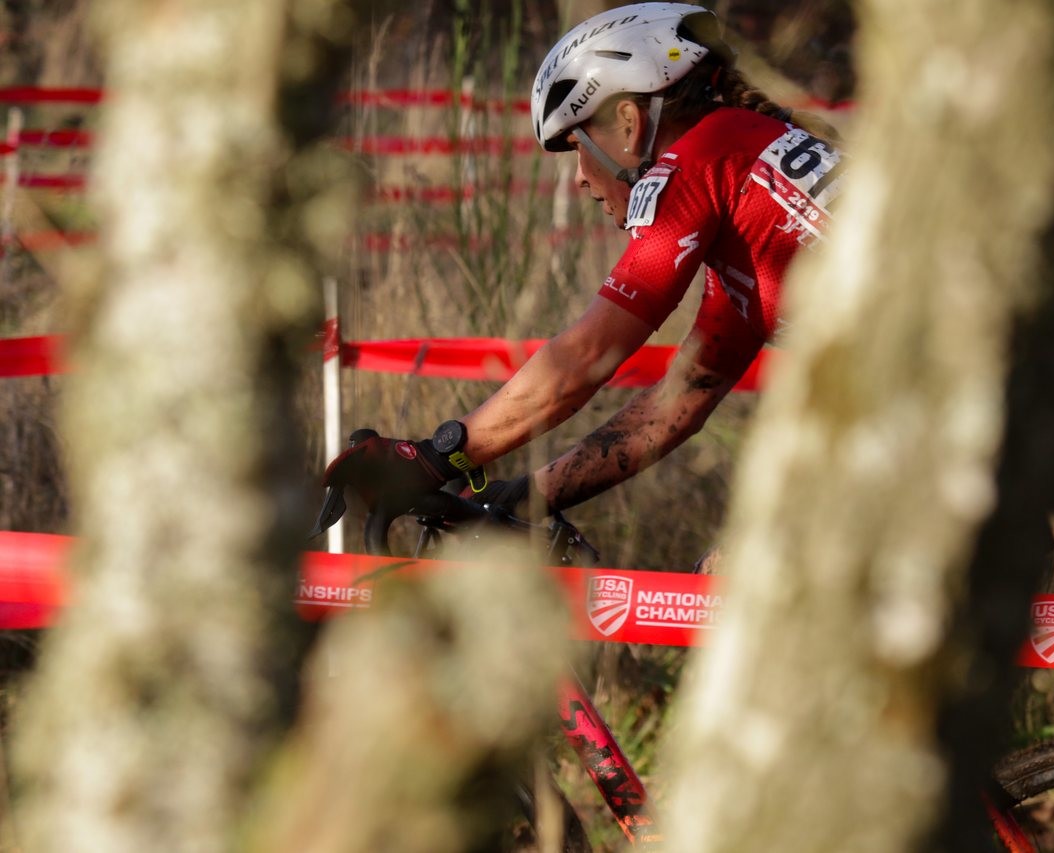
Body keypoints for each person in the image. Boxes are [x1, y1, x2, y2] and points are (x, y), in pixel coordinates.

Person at [316, 3, 847, 539]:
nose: (579, 180)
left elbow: (586, 357)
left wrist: (436, 456)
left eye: (576, 146)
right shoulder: (745, 173)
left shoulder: (699, 160)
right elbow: (675, 405)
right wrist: (526, 496)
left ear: (628, 123)